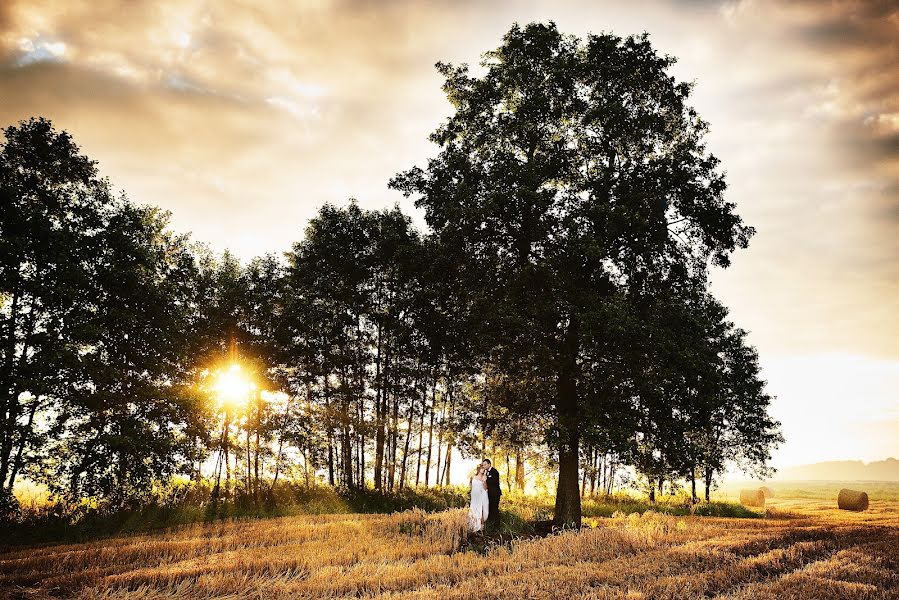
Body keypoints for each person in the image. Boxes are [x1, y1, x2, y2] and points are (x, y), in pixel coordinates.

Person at [468, 464, 490, 532]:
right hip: (474, 496)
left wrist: (484, 481)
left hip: (480, 495)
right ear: (479, 469)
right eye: (482, 468)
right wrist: (471, 492)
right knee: (473, 510)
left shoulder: (484, 477)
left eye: (484, 468)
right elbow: (471, 486)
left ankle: (481, 528)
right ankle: (472, 527)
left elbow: (485, 488)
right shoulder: (473, 477)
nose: (483, 470)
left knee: (481, 510)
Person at [482, 458, 501, 527]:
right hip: (489, 494)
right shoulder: (486, 472)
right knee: (490, 508)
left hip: (495, 494)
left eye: (485, 464)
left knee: (495, 509)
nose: (483, 466)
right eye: (483, 465)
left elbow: (494, 482)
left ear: (489, 464)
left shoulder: (494, 471)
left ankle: (497, 526)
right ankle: (491, 525)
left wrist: (486, 480)